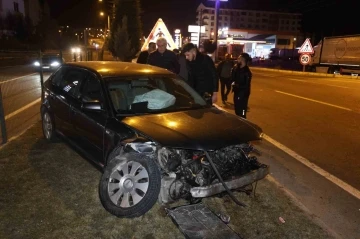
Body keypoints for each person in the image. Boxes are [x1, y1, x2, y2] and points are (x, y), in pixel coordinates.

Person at [231, 53, 252, 119]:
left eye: (239, 58)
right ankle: (239, 119)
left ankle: (243, 119)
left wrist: (237, 85)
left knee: (242, 109)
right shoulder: (236, 68)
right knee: (237, 109)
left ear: (243, 59)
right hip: (237, 92)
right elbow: (232, 79)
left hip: (243, 93)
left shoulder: (247, 72)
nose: (237, 59)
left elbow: (246, 85)